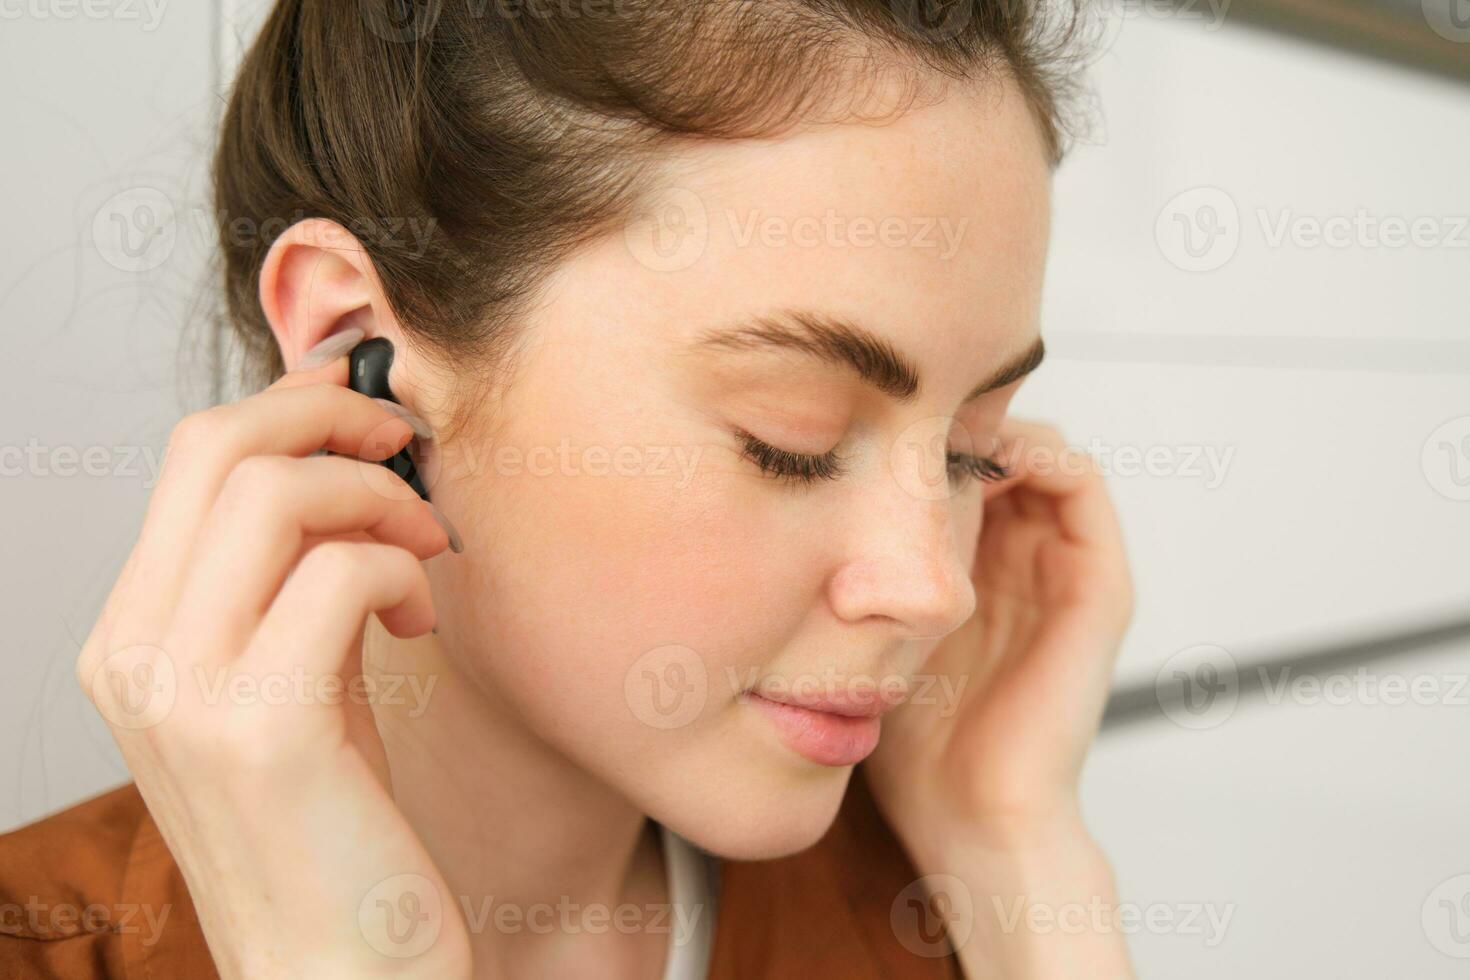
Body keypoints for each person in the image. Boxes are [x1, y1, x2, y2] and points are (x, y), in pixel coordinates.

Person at [0, 1, 1136, 977]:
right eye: (789, 440)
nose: (935, 587)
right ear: (358, 353)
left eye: (968, 451)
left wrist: (1020, 857)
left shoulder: (933, 919)